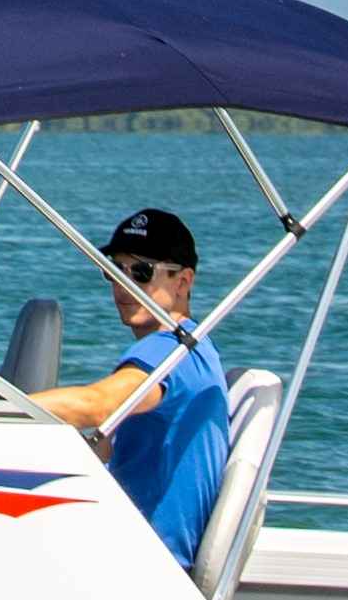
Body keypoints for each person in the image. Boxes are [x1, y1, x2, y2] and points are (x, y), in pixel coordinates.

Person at [34, 206, 231, 555]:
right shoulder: (197, 348)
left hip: (145, 564)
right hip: (134, 549)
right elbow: (107, 446)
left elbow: (98, 405)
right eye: (114, 270)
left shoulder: (170, 353)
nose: (124, 285)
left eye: (141, 272)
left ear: (183, 282)